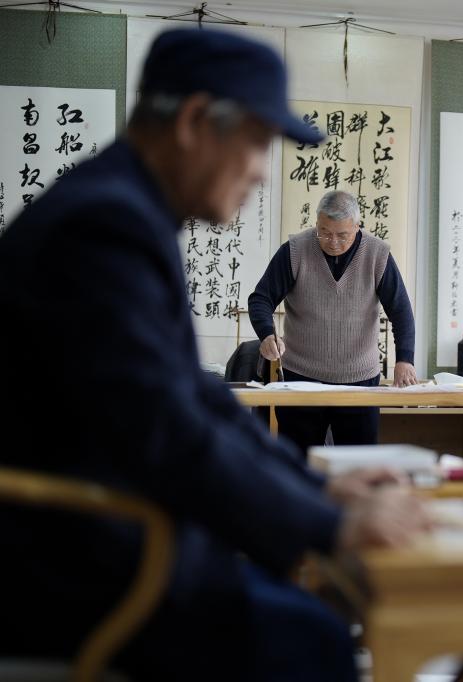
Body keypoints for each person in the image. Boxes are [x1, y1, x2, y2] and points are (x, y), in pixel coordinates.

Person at [0, 29, 428, 682]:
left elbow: (199, 399)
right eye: (257, 142)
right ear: (196, 121)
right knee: (315, 634)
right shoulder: (105, 228)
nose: (262, 169)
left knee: (316, 613)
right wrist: (327, 523)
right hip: (72, 558)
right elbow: (167, 431)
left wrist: (320, 488)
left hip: (104, 534)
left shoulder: (125, 210)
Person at [248, 189, 416, 452]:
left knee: (359, 464)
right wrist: (266, 333)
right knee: (298, 461)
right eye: (324, 232)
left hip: (359, 380)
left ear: (357, 227)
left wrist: (405, 359)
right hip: (301, 378)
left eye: (342, 235)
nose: (332, 241)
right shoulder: (296, 250)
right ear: (316, 223)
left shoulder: (377, 254)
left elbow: (401, 311)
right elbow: (261, 298)